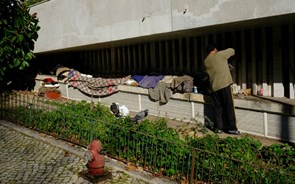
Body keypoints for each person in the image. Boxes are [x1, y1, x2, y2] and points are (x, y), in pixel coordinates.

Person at [204, 44, 240, 135]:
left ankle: (218, 128)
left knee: (217, 109)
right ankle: (231, 128)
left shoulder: (206, 61)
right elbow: (232, 50)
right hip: (224, 85)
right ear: (215, 49)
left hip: (214, 88)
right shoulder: (220, 54)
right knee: (229, 107)